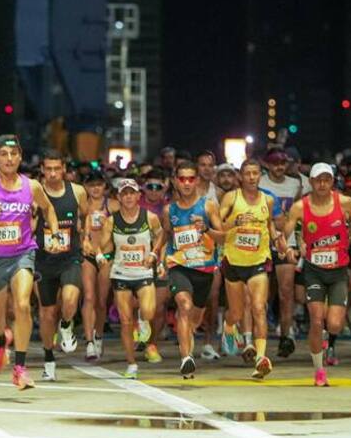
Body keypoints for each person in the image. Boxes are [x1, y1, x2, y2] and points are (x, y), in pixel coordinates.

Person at [0, 135, 60, 390]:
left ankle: (20, 368)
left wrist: (55, 233)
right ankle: (0, 342)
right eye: (3, 154)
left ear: (20, 157)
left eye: (13, 154)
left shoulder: (32, 186)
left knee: (23, 305)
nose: (9, 158)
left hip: (22, 253)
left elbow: (48, 208)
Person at [282, 163, 351, 386]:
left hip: (338, 271)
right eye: (318, 180)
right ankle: (319, 370)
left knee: (335, 324)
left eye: (326, 180)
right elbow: (285, 233)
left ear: (332, 181)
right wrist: (287, 249)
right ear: (310, 182)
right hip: (314, 271)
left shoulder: (344, 202)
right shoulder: (301, 207)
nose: (322, 184)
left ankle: (327, 340)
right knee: (317, 321)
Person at [219, 159, 286, 379]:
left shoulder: (267, 199)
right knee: (237, 311)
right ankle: (229, 326)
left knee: (258, 307)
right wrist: (235, 221)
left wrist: (279, 241)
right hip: (234, 261)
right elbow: (218, 226)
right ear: (241, 176)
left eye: (255, 173)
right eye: (247, 173)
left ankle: (261, 358)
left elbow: (271, 227)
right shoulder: (231, 197)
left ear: (260, 175)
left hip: (258, 260)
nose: (251, 177)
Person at [163, 161, 223, 379]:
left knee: (195, 319)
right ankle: (186, 358)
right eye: (182, 179)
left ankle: (187, 340)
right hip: (179, 266)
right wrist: (158, 258)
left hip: (204, 270)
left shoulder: (208, 206)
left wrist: (206, 229)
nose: (186, 183)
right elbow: (166, 235)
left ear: (197, 180)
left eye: (190, 178)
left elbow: (222, 236)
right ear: (175, 182)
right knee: (184, 306)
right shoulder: (169, 209)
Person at [102, 179, 165, 379]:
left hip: (144, 272)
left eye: (132, 193)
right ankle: (131, 363)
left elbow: (161, 237)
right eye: (124, 193)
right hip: (120, 273)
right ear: (119, 197)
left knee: (148, 310)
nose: (128, 197)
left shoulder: (150, 217)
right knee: (125, 321)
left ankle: (143, 321)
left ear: (139, 196)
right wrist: (97, 251)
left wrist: (156, 257)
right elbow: (105, 246)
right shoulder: (112, 220)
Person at [35, 151, 88, 380]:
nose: (54, 174)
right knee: (47, 313)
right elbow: (28, 222)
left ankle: (66, 324)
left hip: (70, 257)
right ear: (43, 170)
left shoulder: (77, 191)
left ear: (64, 168)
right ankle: (48, 359)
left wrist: (84, 238)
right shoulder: (35, 193)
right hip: (44, 260)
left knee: (69, 300)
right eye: (49, 169)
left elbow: (84, 217)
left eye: (57, 169)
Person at [259, 147, 304, 358]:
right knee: (263, 294)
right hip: (263, 243)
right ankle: (258, 339)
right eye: (275, 162)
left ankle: (286, 335)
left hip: (288, 241)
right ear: (267, 164)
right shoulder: (260, 183)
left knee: (287, 292)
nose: (279, 166)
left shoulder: (296, 184)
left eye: (283, 163)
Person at [80, 171, 115, 361]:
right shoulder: (82, 205)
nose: (95, 188)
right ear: (86, 187)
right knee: (89, 297)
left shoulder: (113, 205)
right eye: (91, 185)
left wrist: (109, 222)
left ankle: (99, 335)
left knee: (102, 301)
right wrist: (82, 238)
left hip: (107, 257)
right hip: (88, 256)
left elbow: (125, 225)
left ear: (105, 187)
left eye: (99, 185)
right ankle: (89, 343)